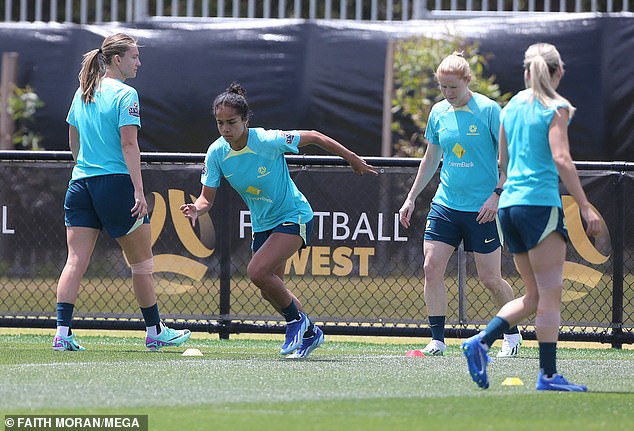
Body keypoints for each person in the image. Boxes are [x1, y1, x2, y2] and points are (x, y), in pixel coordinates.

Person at [181, 82, 377, 358]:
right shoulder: (216, 153)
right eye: (220, 123)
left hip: (293, 215)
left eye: (231, 122)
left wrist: (352, 159)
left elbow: (315, 136)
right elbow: (206, 198)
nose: (225, 129)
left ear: (245, 120)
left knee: (256, 271)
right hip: (263, 224)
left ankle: (297, 322)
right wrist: (197, 209)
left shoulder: (267, 140)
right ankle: (309, 332)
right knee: (270, 288)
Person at [462, 43, 601, 391]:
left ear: (527, 72)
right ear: (559, 72)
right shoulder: (556, 106)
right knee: (550, 294)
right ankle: (549, 376)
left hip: (509, 208)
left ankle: (480, 342)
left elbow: (504, 166)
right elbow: (562, 158)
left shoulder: (510, 108)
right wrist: (585, 205)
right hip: (539, 206)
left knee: (534, 296)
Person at [53, 33, 191, 352]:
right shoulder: (126, 94)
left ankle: (62, 333)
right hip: (114, 184)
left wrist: (83, 168)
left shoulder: (82, 92)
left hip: (80, 184)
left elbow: (73, 142)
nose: (138, 62)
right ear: (118, 60)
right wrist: (139, 192)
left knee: (75, 261)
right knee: (142, 264)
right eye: (133, 57)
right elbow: (130, 145)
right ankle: (155, 331)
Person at [399, 52, 521, 357]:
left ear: (467, 81)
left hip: (483, 209)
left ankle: (513, 336)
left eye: (452, 87)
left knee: (490, 279)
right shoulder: (438, 112)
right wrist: (411, 197)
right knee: (431, 267)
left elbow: (510, 159)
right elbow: (431, 159)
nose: (447, 94)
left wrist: (497, 194)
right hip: (446, 205)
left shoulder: (490, 110)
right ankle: (437, 341)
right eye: (442, 87)